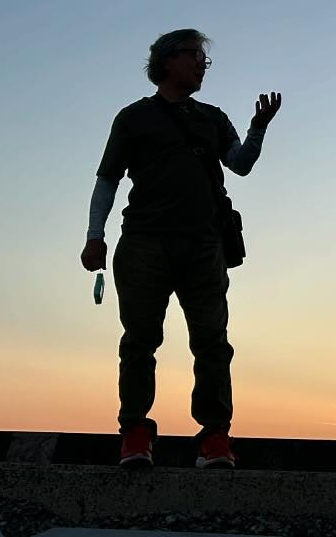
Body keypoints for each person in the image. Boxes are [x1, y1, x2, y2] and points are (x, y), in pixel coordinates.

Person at [81, 28, 281, 469]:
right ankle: (134, 432)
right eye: (194, 56)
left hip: (203, 244)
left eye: (203, 60)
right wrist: (95, 235)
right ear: (167, 61)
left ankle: (214, 438)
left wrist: (258, 128)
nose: (201, 65)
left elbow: (241, 164)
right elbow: (107, 179)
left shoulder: (213, 117)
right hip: (144, 244)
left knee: (212, 342)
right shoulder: (132, 118)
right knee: (139, 340)